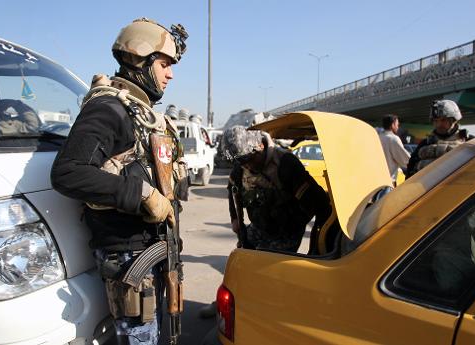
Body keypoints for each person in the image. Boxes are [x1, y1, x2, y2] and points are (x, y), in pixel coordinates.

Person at [50, 18, 188, 345]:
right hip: (128, 258)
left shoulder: (143, 114)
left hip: (155, 248)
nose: (170, 74)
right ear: (139, 59)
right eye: (164, 64)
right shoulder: (109, 108)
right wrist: (142, 195)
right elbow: (68, 171)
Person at [198, 126, 333, 318]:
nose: (246, 166)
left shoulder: (285, 164)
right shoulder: (242, 162)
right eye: (240, 162)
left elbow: (319, 203)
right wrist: (235, 220)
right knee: (239, 263)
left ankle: (260, 318)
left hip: (285, 231)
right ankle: (228, 303)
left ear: (260, 146)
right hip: (259, 226)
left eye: (248, 160)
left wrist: (308, 236)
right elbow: (232, 190)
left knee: (266, 275)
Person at [407, 100, 475, 177]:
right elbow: (410, 173)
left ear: (453, 120)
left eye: (443, 120)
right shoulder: (425, 144)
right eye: (436, 121)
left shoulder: (471, 142)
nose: (439, 124)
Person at [378, 114, 410, 185]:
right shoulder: (393, 138)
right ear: (392, 125)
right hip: (389, 181)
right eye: (397, 125)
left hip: (378, 179)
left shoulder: (378, 137)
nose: (398, 127)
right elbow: (405, 160)